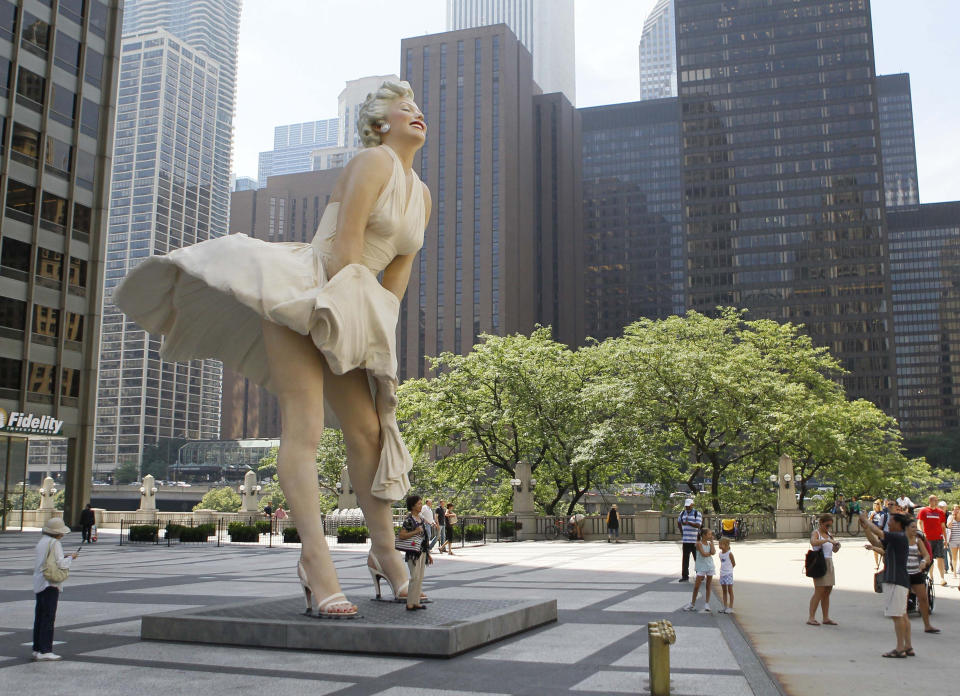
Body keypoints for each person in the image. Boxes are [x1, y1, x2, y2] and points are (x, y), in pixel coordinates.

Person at [113, 80, 430, 618]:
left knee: (371, 430)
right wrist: (346, 311)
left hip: (357, 300)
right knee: (303, 427)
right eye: (404, 109)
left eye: (418, 108)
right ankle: (316, 561)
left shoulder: (420, 193)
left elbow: (397, 276)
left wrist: (378, 337)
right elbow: (348, 241)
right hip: (306, 291)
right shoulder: (373, 162)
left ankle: (383, 552)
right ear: (380, 126)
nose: (416, 114)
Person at [860, 510, 913, 657]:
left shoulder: (898, 536)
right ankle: (907, 646)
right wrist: (866, 528)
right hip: (900, 580)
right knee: (902, 614)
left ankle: (899, 648)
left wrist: (866, 519)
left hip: (895, 580)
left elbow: (878, 531)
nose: (888, 523)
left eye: (891, 521)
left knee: (896, 615)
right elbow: (876, 542)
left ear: (897, 524)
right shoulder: (898, 538)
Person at [32, 518, 78, 661]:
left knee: (40, 616)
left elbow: (47, 560)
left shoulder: (42, 542)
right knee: (48, 617)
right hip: (50, 583)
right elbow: (61, 564)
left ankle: (37, 648)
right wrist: (71, 558)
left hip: (39, 581)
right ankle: (46, 650)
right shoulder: (55, 543)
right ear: (57, 533)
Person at [396, 494, 432, 610]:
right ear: (412, 506)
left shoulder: (421, 519)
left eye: (421, 503)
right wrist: (415, 531)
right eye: (419, 504)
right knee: (414, 577)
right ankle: (410, 603)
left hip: (422, 552)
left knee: (419, 578)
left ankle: (416, 602)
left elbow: (424, 538)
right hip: (413, 553)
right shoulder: (409, 520)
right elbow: (401, 535)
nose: (421, 506)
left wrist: (428, 554)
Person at [807, 513, 840, 626]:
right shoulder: (816, 533)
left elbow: (834, 551)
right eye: (827, 525)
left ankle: (826, 617)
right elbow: (813, 542)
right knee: (819, 591)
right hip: (820, 563)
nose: (828, 528)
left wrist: (836, 546)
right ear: (821, 523)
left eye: (830, 526)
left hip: (829, 562)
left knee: (827, 591)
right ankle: (811, 617)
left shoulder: (829, 534)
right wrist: (826, 541)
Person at [917, 495, 948, 586]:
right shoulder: (924, 511)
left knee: (940, 558)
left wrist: (945, 539)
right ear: (930, 501)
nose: (937, 502)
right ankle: (931, 577)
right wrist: (922, 533)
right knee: (929, 558)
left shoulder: (940, 512)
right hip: (927, 539)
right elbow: (919, 522)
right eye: (935, 500)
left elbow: (943, 526)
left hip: (938, 538)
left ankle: (942, 578)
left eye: (937, 500)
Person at [683, 529, 716, 613]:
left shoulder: (709, 543)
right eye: (709, 534)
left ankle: (707, 603)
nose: (710, 536)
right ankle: (692, 603)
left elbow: (713, 552)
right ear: (704, 535)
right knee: (697, 586)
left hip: (709, 566)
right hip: (701, 567)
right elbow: (703, 554)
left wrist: (712, 542)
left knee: (708, 586)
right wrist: (710, 553)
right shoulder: (698, 544)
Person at [678, 498, 702, 582]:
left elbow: (698, 525)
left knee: (697, 558)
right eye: (686, 506)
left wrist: (689, 523)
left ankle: (699, 575)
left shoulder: (697, 513)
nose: (687, 508)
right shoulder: (682, 513)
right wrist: (682, 532)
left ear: (692, 505)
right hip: (686, 540)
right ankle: (685, 576)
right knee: (685, 559)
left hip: (695, 540)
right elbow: (679, 522)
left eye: (688, 506)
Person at [718, 536, 736, 614]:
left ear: (726, 545)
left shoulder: (729, 554)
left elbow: (733, 563)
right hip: (722, 574)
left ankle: (730, 607)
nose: (720, 546)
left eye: (721, 544)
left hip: (728, 574)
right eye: (719, 544)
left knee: (730, 590)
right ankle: (725, 606)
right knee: (724, 591)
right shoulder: (720, 554)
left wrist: (729, 570)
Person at [869, 499, 885, 568]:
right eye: (875, 503)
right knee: (875, 548)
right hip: (874, 533)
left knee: (882, 548)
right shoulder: (871, 512)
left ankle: (884, 563)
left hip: (880, 532)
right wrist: (871, 517)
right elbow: (868, 522)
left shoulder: (883, 513)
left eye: (878, 503)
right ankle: (877, 564)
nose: (876, 505)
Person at [948, 503, 960, 579]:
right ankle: (954, 572)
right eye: (954, 509)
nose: (956, 510)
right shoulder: (950, 517)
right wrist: (953, 517)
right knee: (954, 557)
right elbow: (948, 525)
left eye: (957, 509)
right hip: (953, 540)